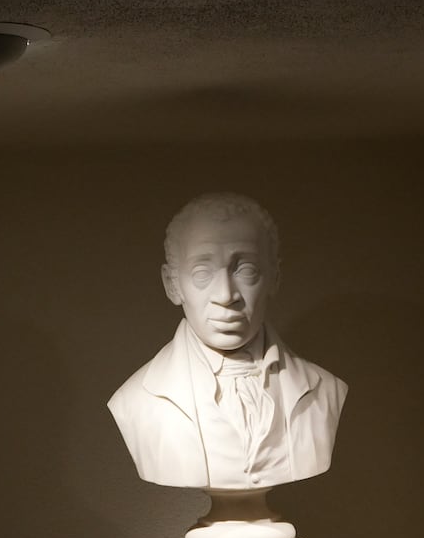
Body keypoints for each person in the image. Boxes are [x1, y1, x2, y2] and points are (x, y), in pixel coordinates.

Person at [108, 192, 347, 490]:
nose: (225, 295)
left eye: (245, 270)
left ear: (274, 277)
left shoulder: (324, 391)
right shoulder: (137, 401)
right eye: (202, 272)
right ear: (172, 285)